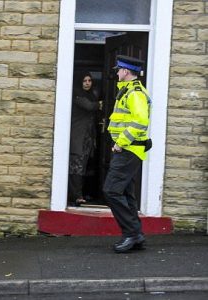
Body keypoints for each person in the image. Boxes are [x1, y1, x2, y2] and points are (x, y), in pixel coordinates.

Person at [103, 55, 152, 253]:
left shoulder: (135, 93)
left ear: (125, 71)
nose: (116, 73)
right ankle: (136, 235)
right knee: (124, 192)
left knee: (111, 191)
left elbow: (141, 121)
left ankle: (131, 233)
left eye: (118, 70)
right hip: (128, 149)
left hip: (128, 149)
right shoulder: (128, 91)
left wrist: (120, 143)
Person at [68, 71, 100, 207]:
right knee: (76, 166)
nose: (87, 83)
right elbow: (89, 106)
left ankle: (83, 194)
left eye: (89, 81)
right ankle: (76, 196)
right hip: (78, 136)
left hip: (88, 137)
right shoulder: (76, 94)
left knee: (85, 166)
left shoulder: (91, 95)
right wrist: (98, 104)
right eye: (84, 81)